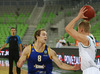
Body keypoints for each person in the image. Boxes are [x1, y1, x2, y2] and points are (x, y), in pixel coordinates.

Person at [65, 7, 100, 74]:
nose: (77, 32)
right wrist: (86, 19)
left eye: (78, 30)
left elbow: (67, 29)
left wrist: (78, 17)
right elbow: (86, 26)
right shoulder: (90, 36)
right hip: (92, 70)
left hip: (90, 71)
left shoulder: (85, 39)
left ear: (81, 30)